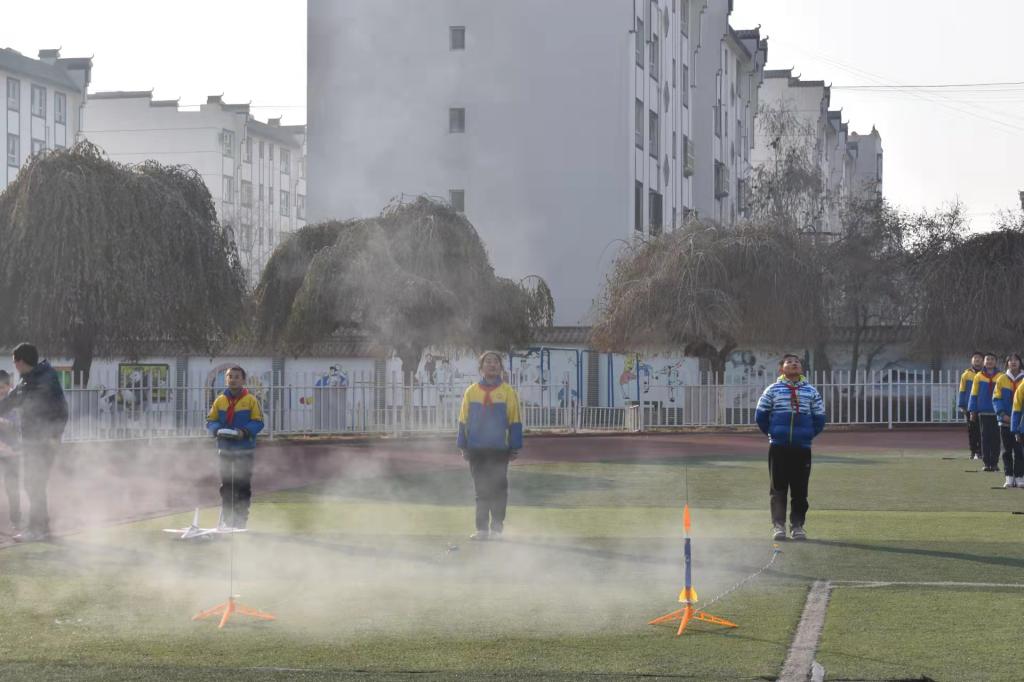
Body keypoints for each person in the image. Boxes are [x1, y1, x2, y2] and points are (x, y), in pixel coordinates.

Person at [0, 343, 68, 542]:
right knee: (33, 484)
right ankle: (41, 528)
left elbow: (62, 411)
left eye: (15, 361)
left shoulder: (46, 379)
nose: (14, 365)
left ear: (21, 361)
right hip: (31, 442)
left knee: (34, 483)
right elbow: (10, 401)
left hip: (44, 442)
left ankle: (36, 529)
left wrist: (54, 436)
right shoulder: (27, 380)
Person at [755, 354, 826, 542]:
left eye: (797, 362)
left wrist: (808, 434)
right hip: (778, 446)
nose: (794, 364)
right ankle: (778, 526)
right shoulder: (773, 390)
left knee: (800, 489)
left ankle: (797, 526)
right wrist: (773, 433)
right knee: (778, 488)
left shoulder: (811, 391)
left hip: (802, 447)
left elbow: (819, 417)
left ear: (801, 368)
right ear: (781, 368)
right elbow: (761, 415)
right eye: (789, 362)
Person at [457, 351, 523, 540]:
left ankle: (497, 529)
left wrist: (514, 446)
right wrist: (462, 445)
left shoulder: (508, 392)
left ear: (500, 367)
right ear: (481, 367)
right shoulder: (471, 391)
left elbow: (515, 420)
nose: (492, 365)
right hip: (476, 449)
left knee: (499, 489)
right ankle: (482, 529)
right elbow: (463, 419)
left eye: (495, 362)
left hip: (499, 449)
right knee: (481, 490)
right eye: (488, 362)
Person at [206, 366, 264, 530]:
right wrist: (217, 430)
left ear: (243, 380)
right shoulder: (220, 400)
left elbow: (258, 422)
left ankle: (240, 521)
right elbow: (211, 420)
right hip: (225, 449)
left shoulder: (251, 400)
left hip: (244, 450)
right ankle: (227, 520)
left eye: (237, 377)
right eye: (230, 376)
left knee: (243, 486)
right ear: (226, 380)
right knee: (226, 486)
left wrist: (244, 432)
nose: (233, 379)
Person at [993, 354, 1024, 488]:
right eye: (1010, 360)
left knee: (1020, 451)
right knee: (1006, 451)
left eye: (1016, 360)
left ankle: (1019, 477)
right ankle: (1009, 477)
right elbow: (996, 398)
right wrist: (1002, 414)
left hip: (1020, 423)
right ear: (1007, 364)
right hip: (1005, 421)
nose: (1013, 362)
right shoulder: (1001, 379)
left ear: (1020, 363)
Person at [968, 353, 1001, 472]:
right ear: (984, 362)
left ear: (996, 362)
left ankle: (995, 463)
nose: (989, 361)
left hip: (997, 412)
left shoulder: (1001, 376)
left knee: (996, 438)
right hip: (983, 412)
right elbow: (973, 394)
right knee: (985, 438)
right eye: (987, 359)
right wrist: (972, 410)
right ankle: (987, 463)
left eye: (992, 359)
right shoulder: (979, 376)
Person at [0, 371, 22, 534]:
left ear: (9, 386)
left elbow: (15, 426)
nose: (0, 391)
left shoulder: (15, 402)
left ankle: (16, 521)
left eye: (2, 387)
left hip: (12, 451)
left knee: (12, 488)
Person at [957, 352, 984, 460]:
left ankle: (981, 451)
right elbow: (962, 390)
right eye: (975, 358)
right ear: (971, 360)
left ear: (983, 361)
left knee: (983, 430)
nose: (977, 360)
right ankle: (973, 451)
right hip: (970, 407)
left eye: (979, 358)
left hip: (983, 407)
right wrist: (961, 405)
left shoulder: (986, 374)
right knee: (972, 430)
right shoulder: (966, 375)